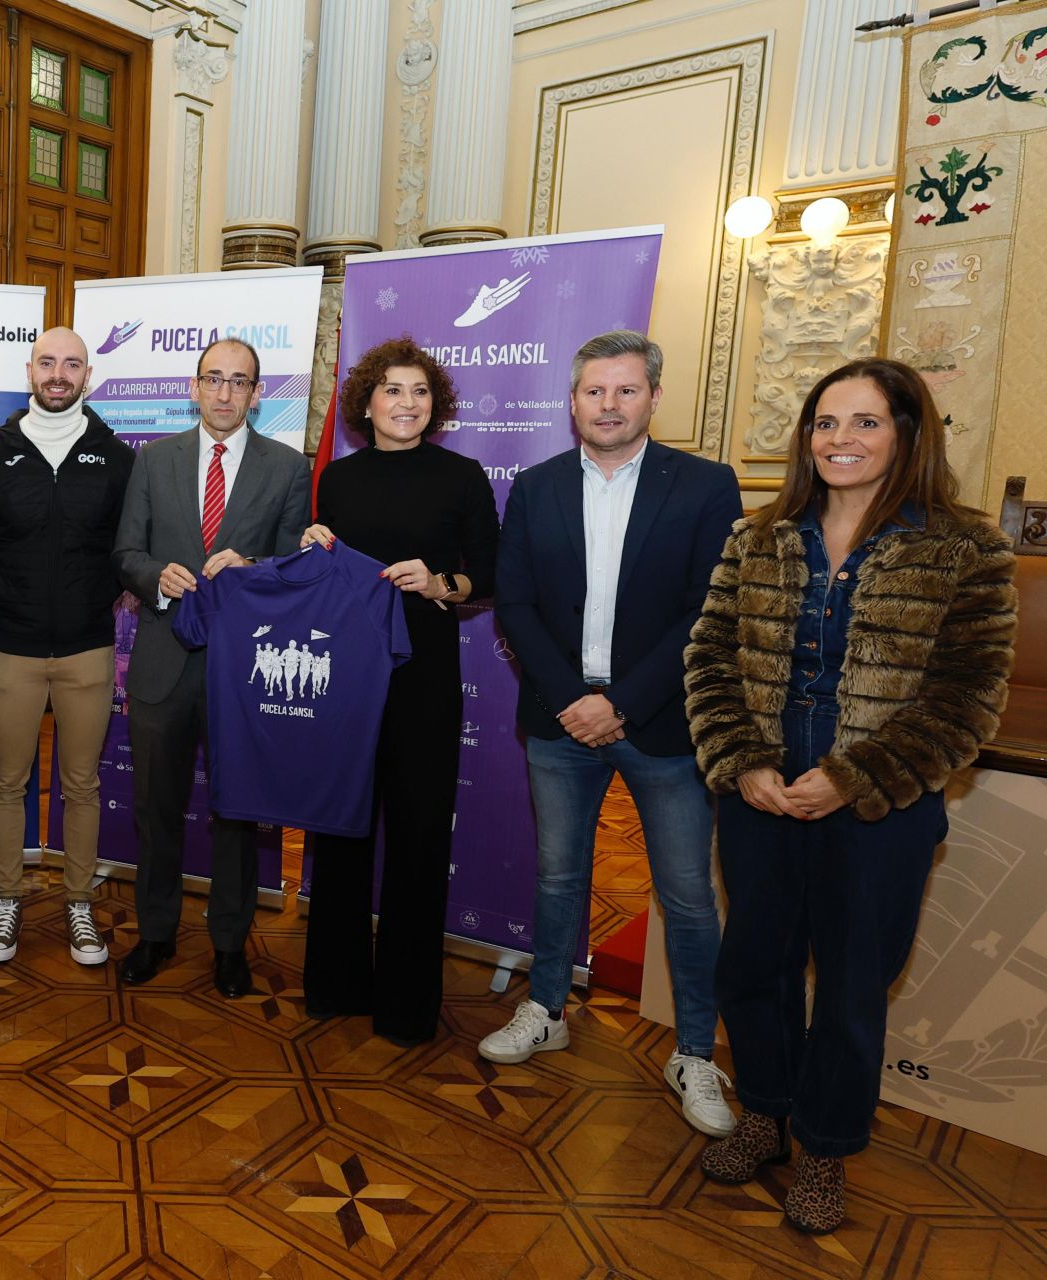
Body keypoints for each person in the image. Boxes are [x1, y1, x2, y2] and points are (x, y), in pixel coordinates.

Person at [685, 358, 1015, 1234]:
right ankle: (764, 1111)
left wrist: (855, 776)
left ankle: (826, 1147)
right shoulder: (757, 535)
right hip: (759, 781)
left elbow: (970, 695)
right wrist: (742, 758)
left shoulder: (966, 546)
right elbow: (711, 656)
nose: (840, 441)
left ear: (908, 433)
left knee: (852, 982)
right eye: (825, 423)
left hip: (879, 800)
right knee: (752, 961)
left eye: (865, 423)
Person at [481, 330, 742, 1138]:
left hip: (662, 723)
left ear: (654, 398)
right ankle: (547, 1007)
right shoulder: (537, 485)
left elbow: (709, 610)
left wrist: (620, 703)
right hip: (561, 721)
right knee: (560, 879)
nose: (609, 405)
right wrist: (574, 700)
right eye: (594, 391)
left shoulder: (705, 486)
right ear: (572, 400)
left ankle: (696, 1050)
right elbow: (514, 601)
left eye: (626, 391)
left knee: (688, 898)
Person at [298, 337, 498, 1041]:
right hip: (349, 678)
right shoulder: (340, 481)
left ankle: (408, 1006)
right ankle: (335, 982)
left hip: (425, 678)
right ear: (367, 403)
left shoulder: (463, 474)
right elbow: (327, 575)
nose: (406, 403)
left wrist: (442, 583)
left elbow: (490, 575)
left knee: (416, 837)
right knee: (342, 826)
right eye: (392, 390)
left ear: (433, 402)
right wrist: (314, 546)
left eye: (419, 392)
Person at [112, 338, 310, 997]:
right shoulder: (154, 461)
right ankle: (157, 932)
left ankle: (230, 944)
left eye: (239, 382)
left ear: (258, 394)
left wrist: (254, 570)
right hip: (163, 659)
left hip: (243, 671)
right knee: (156, 810)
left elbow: (295, 569)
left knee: (238, 814)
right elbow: (125, 551)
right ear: (194, 387)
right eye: (213, 379)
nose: (225, 393)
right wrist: (154, 577)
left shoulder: (287, 469)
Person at [0, 327, 135, 965]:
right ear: (28, 370)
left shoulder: (116, 458)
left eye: (71, 364)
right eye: (46, 362)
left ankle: (80, 906)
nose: (57, 373)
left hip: (89, 649)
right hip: (12, 647)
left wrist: (96, 600)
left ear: (87, 375)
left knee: (81, 785)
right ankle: (7, 903)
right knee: (8, 783)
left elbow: (127, 545)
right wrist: (6, 604)